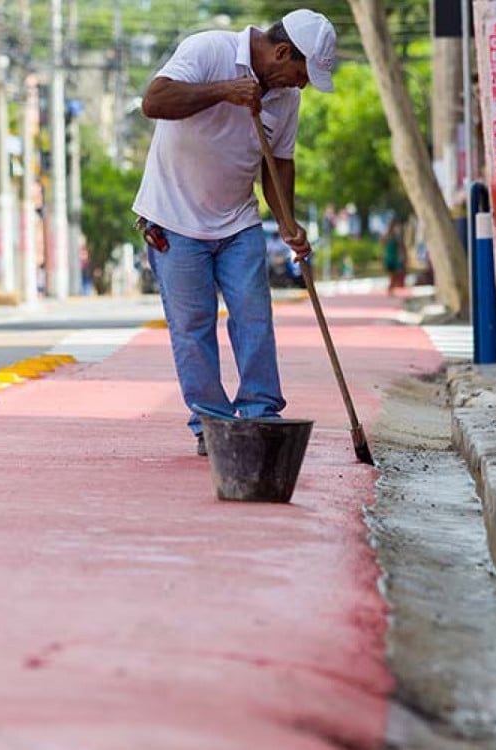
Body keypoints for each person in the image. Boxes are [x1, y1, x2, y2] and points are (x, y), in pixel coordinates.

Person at [132, 9, 337, 457]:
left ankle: (262, 412)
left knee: (254, 317)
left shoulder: (285, 99)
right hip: (174, 220)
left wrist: (287, 221)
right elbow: (155, 101)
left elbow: (278, 161)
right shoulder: (209, 49)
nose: (300, 85)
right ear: (281, 52)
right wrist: (224, 91)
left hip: (238, 221)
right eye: (300, 74)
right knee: (193, 325)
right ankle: (213, 423)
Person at [382, 217, 406, 296]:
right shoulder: (389, 235)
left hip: (394, 258)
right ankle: (390, 290)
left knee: (395, 275)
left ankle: (391, 290)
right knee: (392, 275)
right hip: (390, 257)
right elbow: (383, 244)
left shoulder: (397, 235)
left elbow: (401, 246)